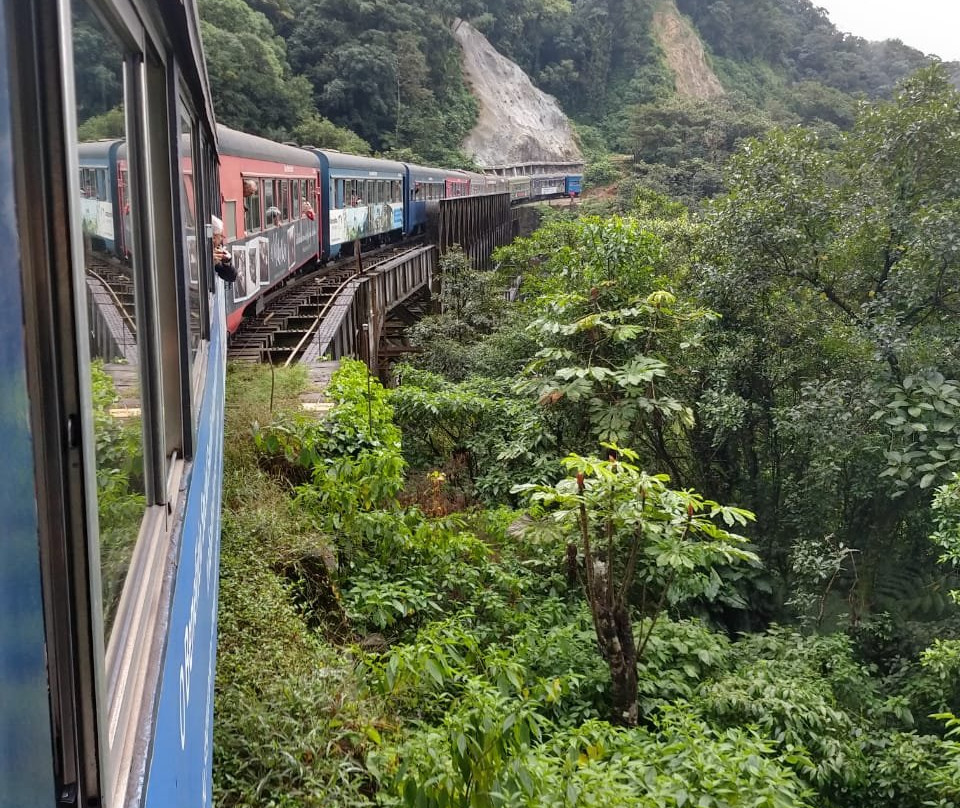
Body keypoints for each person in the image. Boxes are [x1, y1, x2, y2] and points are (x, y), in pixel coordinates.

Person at [211, 216, 236, 282]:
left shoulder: (216, 250)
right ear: (213, 237)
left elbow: (231, 277)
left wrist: (226, 262)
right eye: (221, 236)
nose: (222, 239)